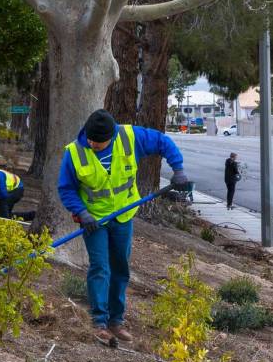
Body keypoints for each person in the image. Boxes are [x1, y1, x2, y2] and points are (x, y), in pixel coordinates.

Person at [58, 109, 189, 342]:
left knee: (120, 268)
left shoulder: (130, 137)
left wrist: (177, 169)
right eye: (90, 139)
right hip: (94, 220)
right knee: (100, 267)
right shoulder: (75, 153)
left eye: (98, 142)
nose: (93, 144)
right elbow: (66, 188)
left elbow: (162, 141)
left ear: (112, 136)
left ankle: (116, 321)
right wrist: (81, 212)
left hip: (123, 216)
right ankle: (99, 321)